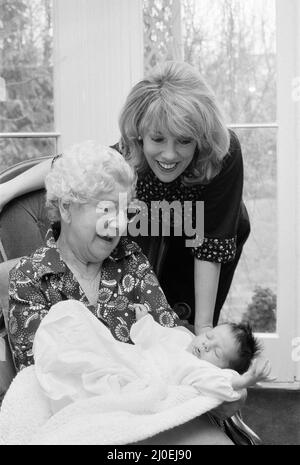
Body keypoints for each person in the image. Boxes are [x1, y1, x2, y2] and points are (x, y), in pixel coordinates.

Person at [0, 61, 250, 338]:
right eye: (158, 139)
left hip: (208, 229)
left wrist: (204, 330)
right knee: (145, 320)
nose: (169, 154)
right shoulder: (129, 154)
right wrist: (6, 190)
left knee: (189, 327)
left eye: (184, 141)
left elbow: (209, 244)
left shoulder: (220, 153)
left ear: (201, 139)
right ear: (139, 134)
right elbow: (71, 166)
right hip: (151, 225)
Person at [7, 141, 179, 371]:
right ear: (66, 208)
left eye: (125, 212)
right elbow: (40, 373)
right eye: (107, 209)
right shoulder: (31, 278)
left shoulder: (133, 262)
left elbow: (172, 344)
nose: (119, 224)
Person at [31, 300, 271, 417]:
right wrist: (144, 321)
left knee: (98, 379)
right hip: (131, 357)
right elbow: (155, 336)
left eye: (216, 353)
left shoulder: (197, 369)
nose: (206, 344)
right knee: (78, 326)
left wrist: (244, 381)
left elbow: (221, 382)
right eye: (209, 336)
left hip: (140, 376)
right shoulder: (181, 341)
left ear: (222, 366)